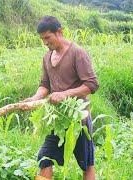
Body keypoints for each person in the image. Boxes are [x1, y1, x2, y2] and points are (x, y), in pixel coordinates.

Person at [23, 16, 99, 180]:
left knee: (86, 164)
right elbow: (45, 84)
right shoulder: (47, 57)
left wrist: (64, 94)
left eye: (48, 38)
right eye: (42, 39)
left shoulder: (77, 53)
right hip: (58, 121)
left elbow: (92, 85)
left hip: (79, 118)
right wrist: (34, 98)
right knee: (44, 158)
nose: (45, 42)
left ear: (59, 32)